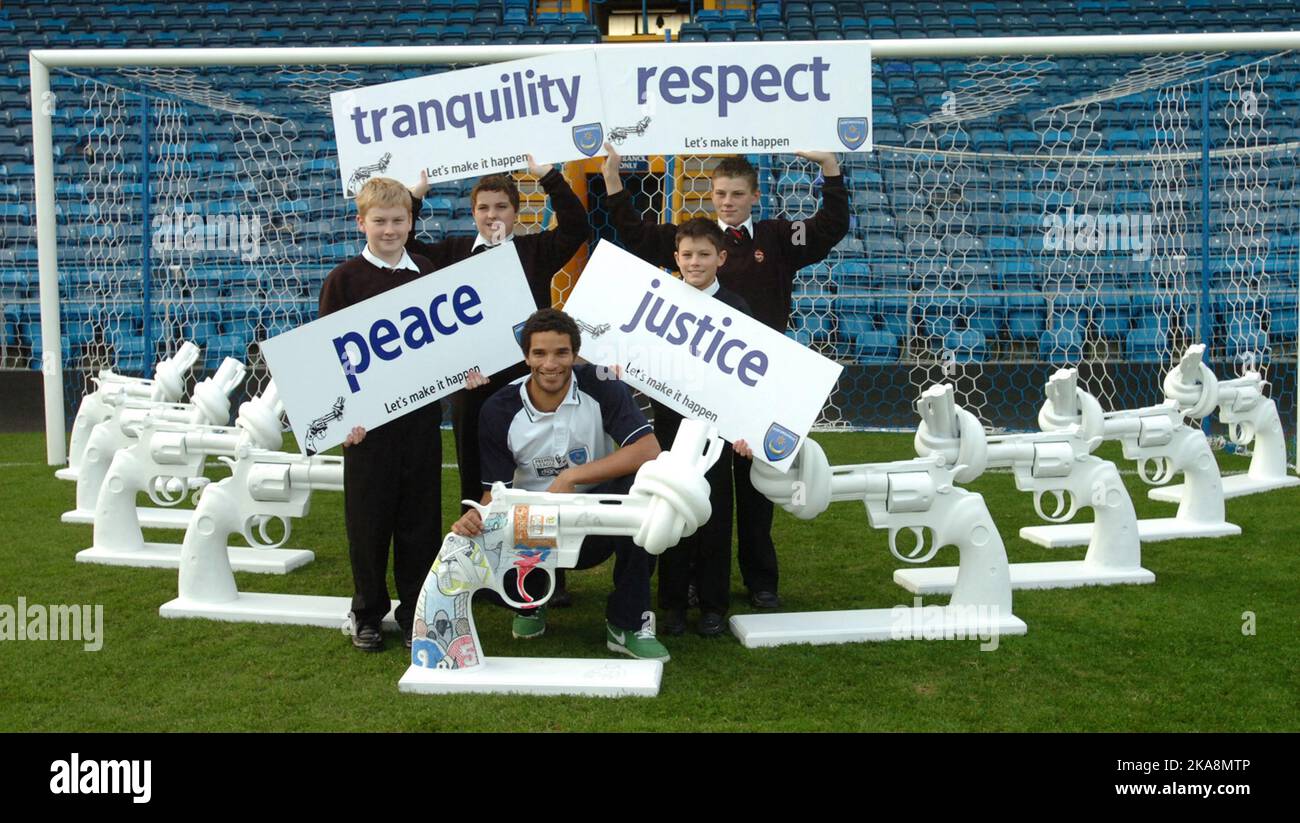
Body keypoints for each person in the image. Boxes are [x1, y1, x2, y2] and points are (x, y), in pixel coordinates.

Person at [601, 144, 850, 609]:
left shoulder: (777, 238)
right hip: (691, 393)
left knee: (756, 488)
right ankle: (694, 581)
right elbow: (633, 234)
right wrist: (613, 178)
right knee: (698, 485)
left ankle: (761, 581)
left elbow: (831, 226)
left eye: (737, 193)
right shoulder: (690, 240)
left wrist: (830, 169)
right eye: (719, 193)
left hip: (755, 389)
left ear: (754, 196)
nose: (727, 201)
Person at [406, 158, 591, 605]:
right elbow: (404, 243)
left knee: (534, 479)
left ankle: (539, 579)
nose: (493, 216)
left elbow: (577, 225)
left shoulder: (534, 250)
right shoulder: (450, 253)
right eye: (485, 207)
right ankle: (482, 574)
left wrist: (548, 175)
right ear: (473, 212)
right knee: (477, 482)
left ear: (517, 212)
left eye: (502, 207)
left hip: (529, 388)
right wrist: (416, 194)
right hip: (472, 391)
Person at [449, 308, 671, 661]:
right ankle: (530, 603)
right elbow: (495, 491)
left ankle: (627, 623)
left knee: (643, 489)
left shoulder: (601, 384)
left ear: (575, 355)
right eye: (539, 353)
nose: (550, 364)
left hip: (596, 516)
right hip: (533, 526)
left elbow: (648, 449)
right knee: (490, 556)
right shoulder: (498, 408)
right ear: (525, 357)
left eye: (561, 353)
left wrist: (571, 476)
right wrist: (476, 518)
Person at [318, 177, 443, 653]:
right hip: (366, 428)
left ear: (412, 222)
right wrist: (341, 418)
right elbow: (329, 355)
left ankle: (415, 610)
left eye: (399, 221)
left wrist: (465, 370)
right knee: (368, 521)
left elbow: (446, 346)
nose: (390, 230)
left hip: (420, 421)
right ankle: (367, 612)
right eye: (380, 221)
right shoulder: (344, 280)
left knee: (420, 520)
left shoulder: (428, 271)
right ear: (361, 223)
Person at [649, 218, 755, 638]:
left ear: (721, 258)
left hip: (716, 436)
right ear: (675, 258)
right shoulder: (658, 305)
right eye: (687, 255)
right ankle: (672, 605)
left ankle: (713, 605)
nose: (695, 262)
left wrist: (744, 426)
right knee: (671, 512)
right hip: (670, 429)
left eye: (704, 254)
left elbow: (753, 377)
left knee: (714, 517)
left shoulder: (737, 307)